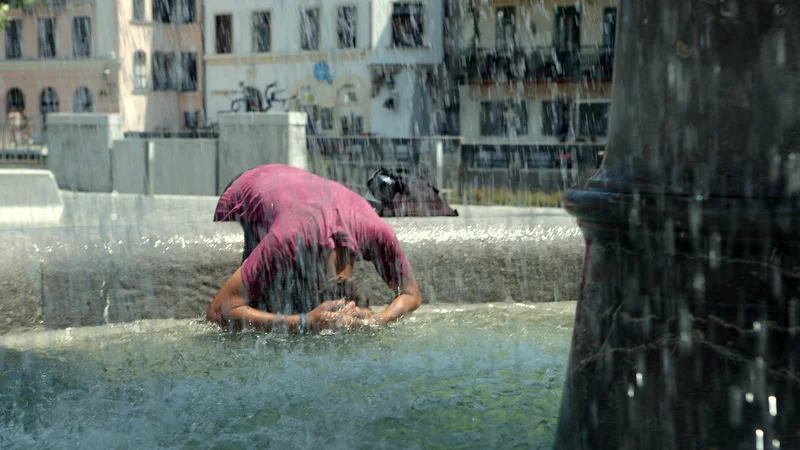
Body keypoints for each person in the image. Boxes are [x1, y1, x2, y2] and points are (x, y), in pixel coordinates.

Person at [206, 164, 422, 334]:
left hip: (290, 182)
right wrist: (304, 321)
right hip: (244, 189)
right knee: (261, 316)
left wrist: (376, 320)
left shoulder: (378, 233)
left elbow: (412, 294)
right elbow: (217, 312)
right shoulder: (289, 239)